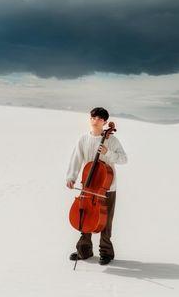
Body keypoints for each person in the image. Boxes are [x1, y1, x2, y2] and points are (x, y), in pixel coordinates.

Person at [65, 107, 128, 265]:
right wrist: (71, 177)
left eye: (100, 119)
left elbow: (123, 159)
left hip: (106, 188)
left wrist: (107, 152)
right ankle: (84, 250)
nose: (96, 120)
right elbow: (76, 158)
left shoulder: (111, 140)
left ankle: (106, 252)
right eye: (93, 117)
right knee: (85, 216)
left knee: (105, 222)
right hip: (88, 186)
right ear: (90, 119)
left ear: (105, 122)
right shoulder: (83, 138)